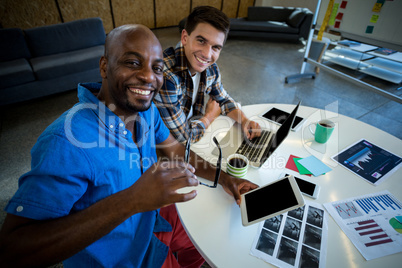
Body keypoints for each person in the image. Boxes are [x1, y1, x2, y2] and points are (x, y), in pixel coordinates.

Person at [0, 24, 259, 268]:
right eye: (132, 62)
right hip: (128, 257)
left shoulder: (145, 112)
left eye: (157, 68)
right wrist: (132, 201)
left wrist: (224, 177)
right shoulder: (66, 141)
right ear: (104, 66)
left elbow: (177, 152)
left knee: (203, 245)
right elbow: (13, 250)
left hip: (154, 217)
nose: (148, 76)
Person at [154, 6, 261, 143]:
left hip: (193, 129)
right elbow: (184, 137)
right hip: (165, 148)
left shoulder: (211, 68)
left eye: (215, 47)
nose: (207, 54)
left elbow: (223, 100)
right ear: (185, 37)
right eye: (201, 41)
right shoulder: (166, 76)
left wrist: (245, 120)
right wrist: (209, 117)